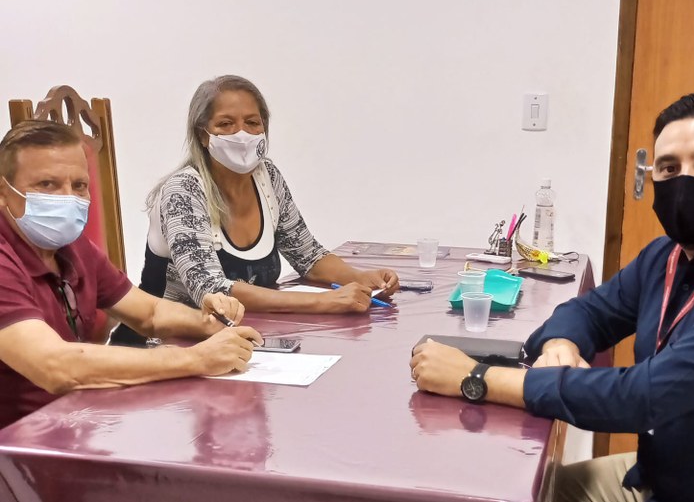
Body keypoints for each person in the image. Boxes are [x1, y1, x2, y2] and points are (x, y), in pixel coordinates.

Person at [410, 91, 694, 502]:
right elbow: (591, 311)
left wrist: (475, 378)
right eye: (669, 168)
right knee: (502, 489)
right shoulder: (665, 256)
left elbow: (642, 397)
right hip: (662, 476)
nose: (685, 183)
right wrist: (561, 343)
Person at [0, 120, 262, 429]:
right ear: (3, 192)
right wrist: (197, 359)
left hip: (79, 419)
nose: (67, 198)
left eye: (79, 185)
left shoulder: (71, 246)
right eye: (47, 184)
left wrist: (209, 322)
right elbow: (55, 367)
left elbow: (149, 313)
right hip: (19, 442)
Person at [112, 75, 399, 346]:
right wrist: (325, 302)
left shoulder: (267, 177)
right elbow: (210, 288)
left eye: (252, 122)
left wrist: (359, 278)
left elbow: (308, 256)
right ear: (203, 135)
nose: (242, 134)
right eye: (226, 124)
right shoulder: (183, 190)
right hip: (165, 346)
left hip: (246, 338)